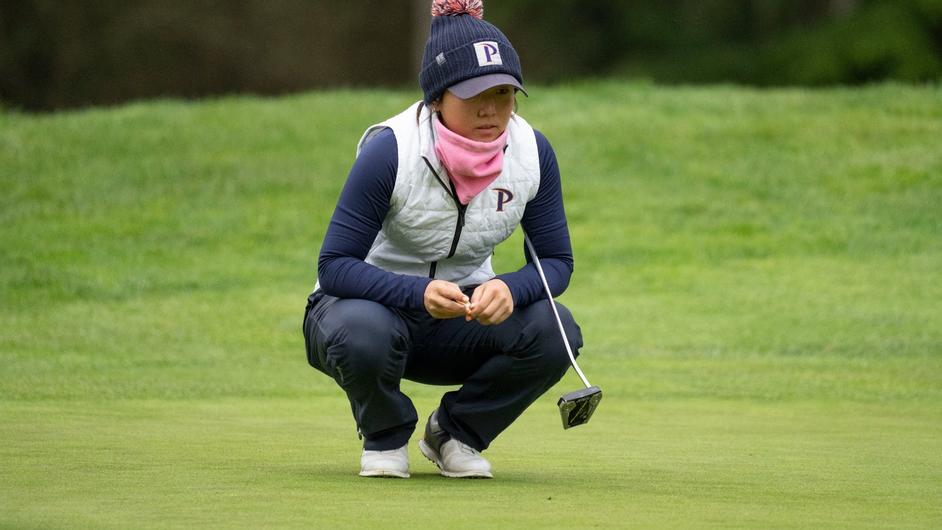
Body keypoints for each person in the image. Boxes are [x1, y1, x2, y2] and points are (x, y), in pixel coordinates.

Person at [302, 0, 583, 479]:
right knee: (364, 332)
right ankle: (385, 436)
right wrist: (417, 293)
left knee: (556, 329)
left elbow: (556, 262)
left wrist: (512, 289)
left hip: (460, 320)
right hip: (363, 313)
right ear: (436, 97)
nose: (492, 109)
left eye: (504, 92)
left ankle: (455, 433)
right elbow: (335, 265)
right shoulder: (390, 150)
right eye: (474, 95)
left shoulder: (533, 153)